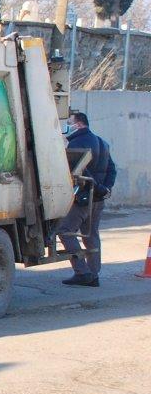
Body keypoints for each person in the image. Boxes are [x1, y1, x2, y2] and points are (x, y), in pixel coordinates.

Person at [57, 111, 118, 287]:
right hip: (98, 199)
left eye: (70, 123)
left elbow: (80, 170)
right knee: (91, 235)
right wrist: (105, 188)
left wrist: (96, 187)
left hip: (83, 198)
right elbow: (112, 169)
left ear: (79, 124)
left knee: (65, 230)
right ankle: (93, 274)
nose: (67, 127)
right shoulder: (102, 142)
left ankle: (82, 272)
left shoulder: (76, 144)